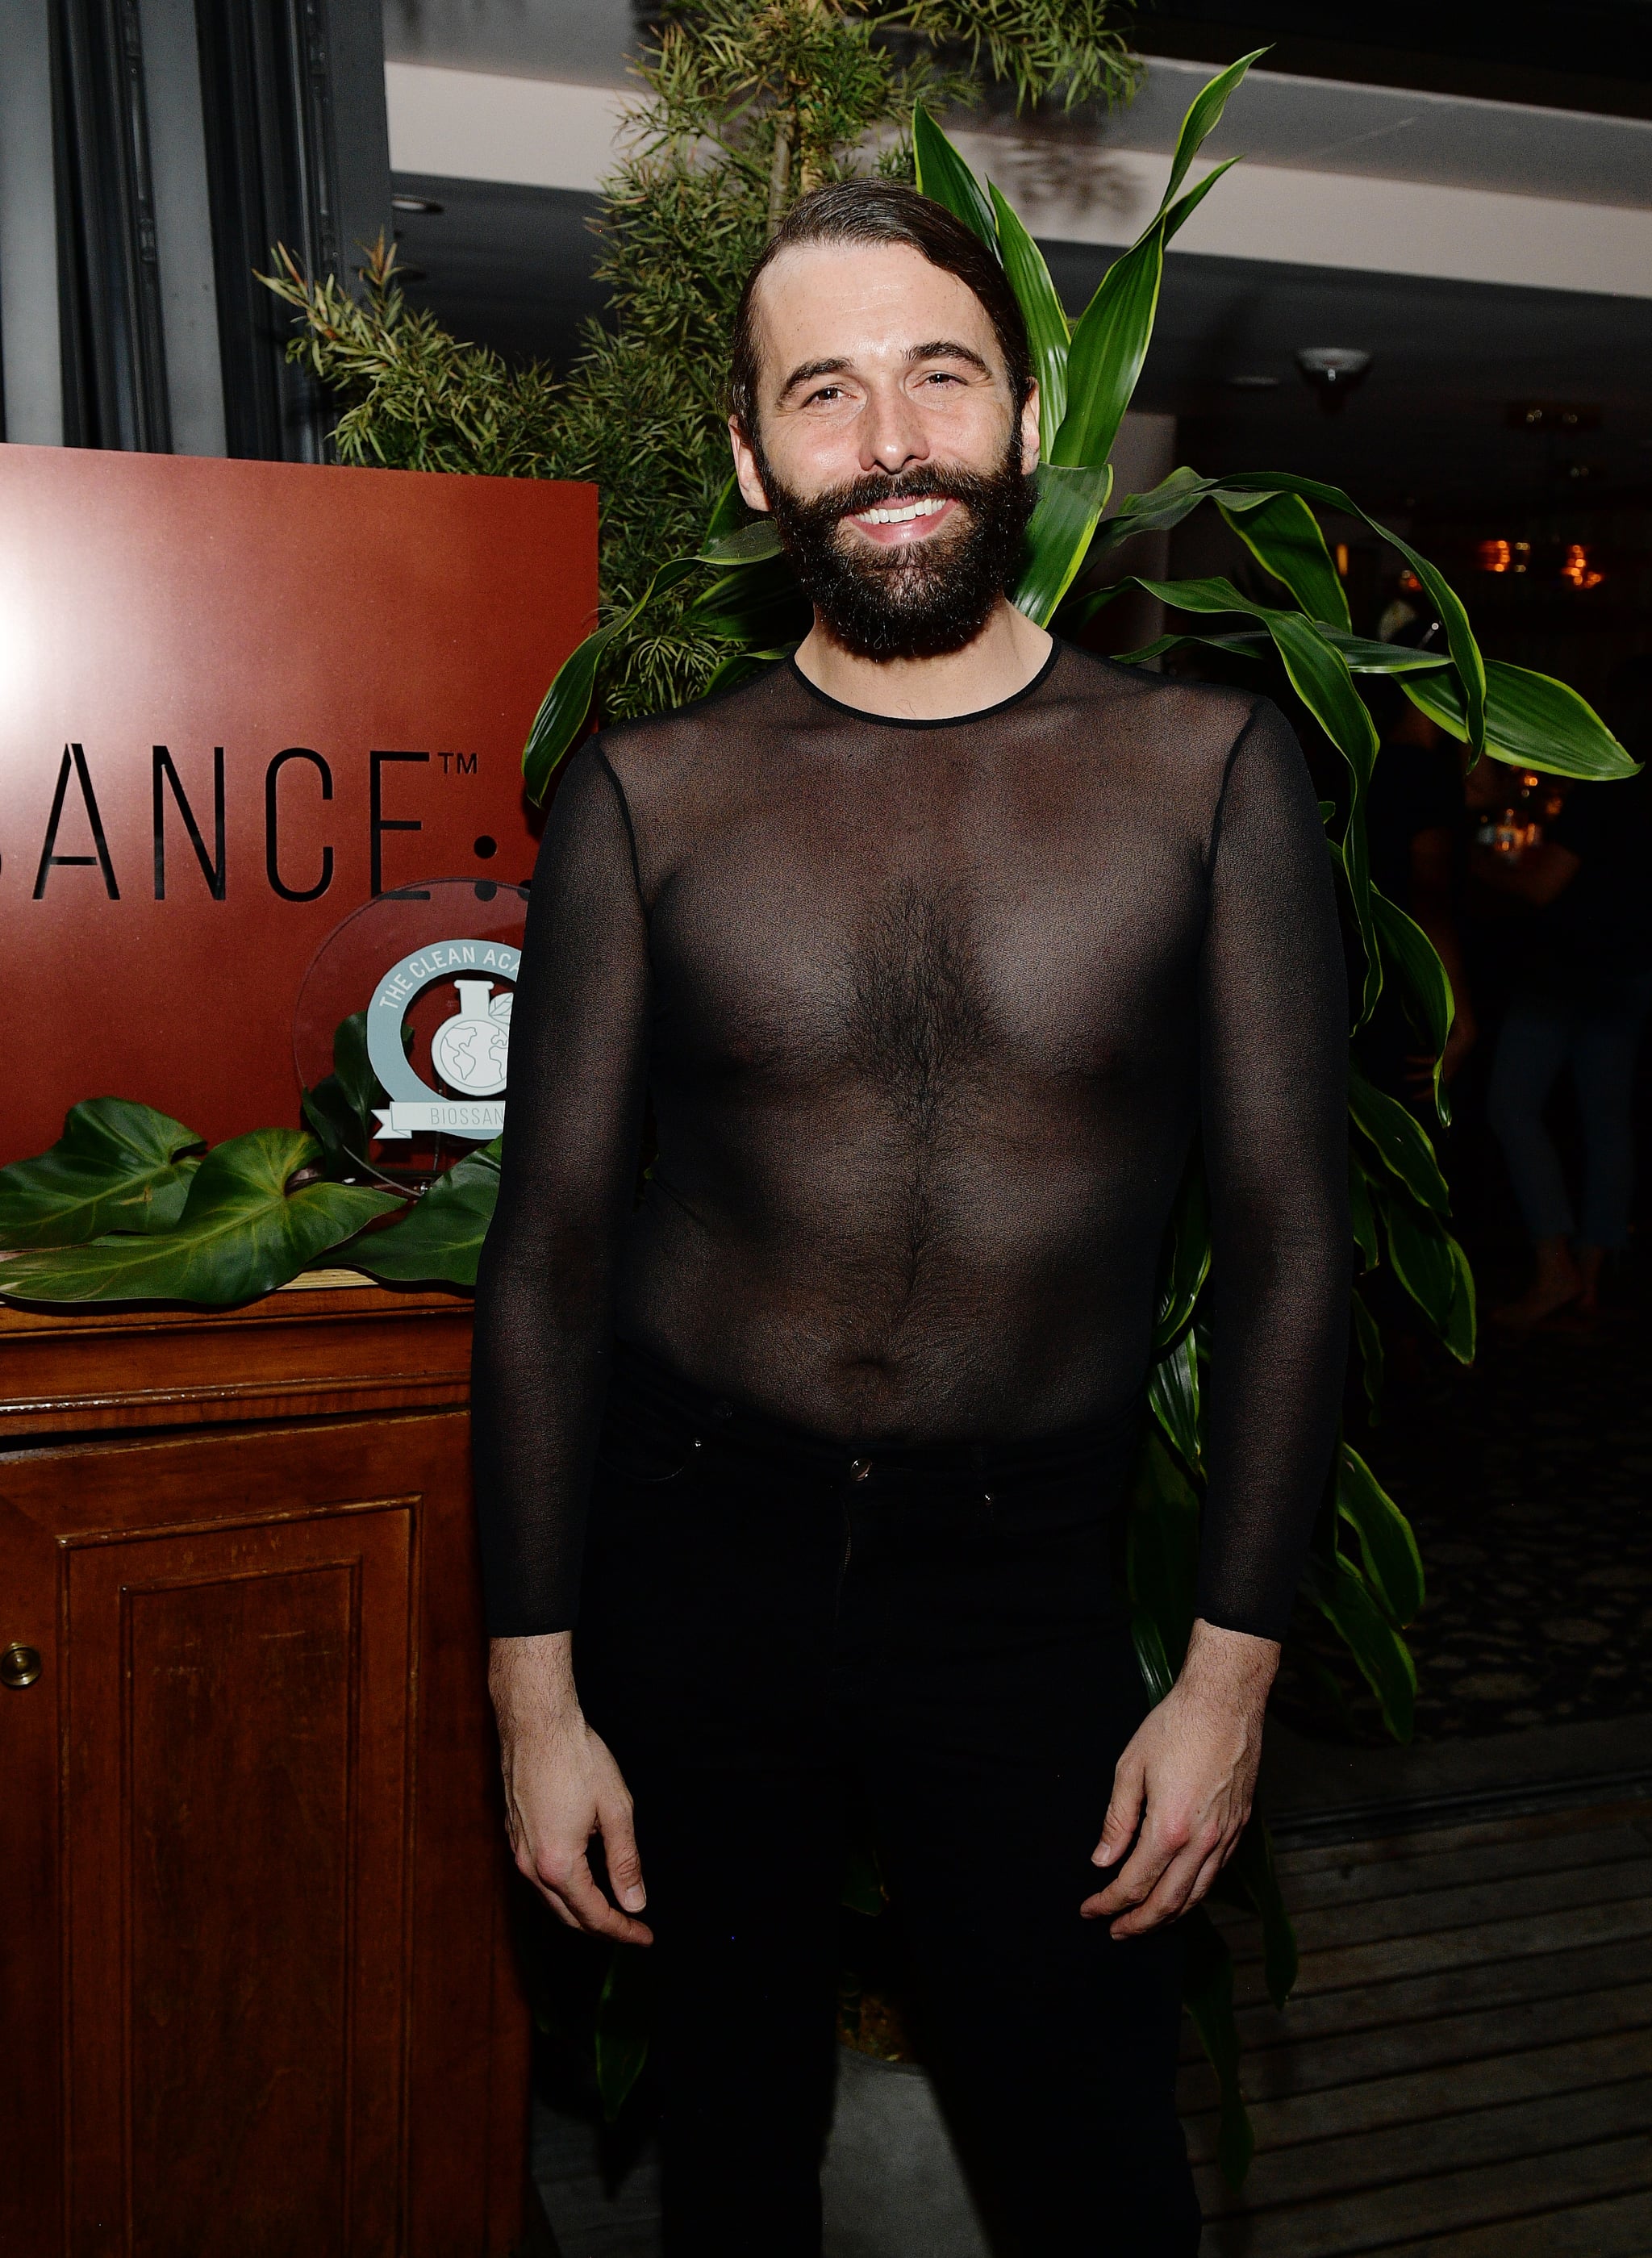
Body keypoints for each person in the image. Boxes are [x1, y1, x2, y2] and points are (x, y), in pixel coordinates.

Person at [472, 180, 1349, 2256]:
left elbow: (1296, 1235)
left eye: (934, 376)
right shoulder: (647, 793)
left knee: (1090, 2159)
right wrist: (533, 1695)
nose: (886, 441)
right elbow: (552, 1258)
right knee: (735, 2146)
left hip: (1019, 1580)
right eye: (826, 393)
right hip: (695, 1559)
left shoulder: (1204, 772)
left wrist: (1225, 1672)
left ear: (1025, 416)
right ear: (753, 453)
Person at [1479, 682, 1652, 1328]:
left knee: (1511, 1107)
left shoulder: (1607, 789)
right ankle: (1592, 1277)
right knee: (1607, 1121)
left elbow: (1544, 885)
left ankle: (1554, 1264)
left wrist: (1481, 867)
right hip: (1632, 969)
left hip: (1567, 971)